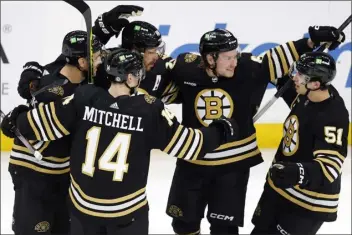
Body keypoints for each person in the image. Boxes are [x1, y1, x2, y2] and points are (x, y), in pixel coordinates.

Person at [1, 48, 238, 235]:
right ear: (132, 78)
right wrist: (220, 129)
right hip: (126, 213)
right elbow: (191, 145)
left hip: (83, 211)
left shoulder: (84, 98)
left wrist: (18, 118)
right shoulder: (149, 111)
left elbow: (38, 124)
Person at [163, 26, 345, 234]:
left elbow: (275, 58)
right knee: (183, 225)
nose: (235, 62)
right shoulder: (185, 68)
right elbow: (156, 80)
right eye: (228, 57)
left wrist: (310, 43)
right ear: (210, 58)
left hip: (233, 166)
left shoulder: (247, 69)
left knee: (224, 228)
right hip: (192, 162)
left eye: (236, 55)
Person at [5, 30, 102, 235]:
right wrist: (20, 116)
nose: (101, 61)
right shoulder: (50, 92)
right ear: (83, 62)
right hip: (34, 173)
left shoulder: (83, 83)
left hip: (62, 174)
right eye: (97, 57)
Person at [251, 51, 349, 235]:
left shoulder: (332, 115)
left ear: (315, 83)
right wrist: (312, 42)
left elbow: (330, 167)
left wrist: (297, 172)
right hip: (279, 190)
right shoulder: (306, 93)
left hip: (307, 203)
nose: (294, 77)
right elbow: (278, 73)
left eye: (300, 75)